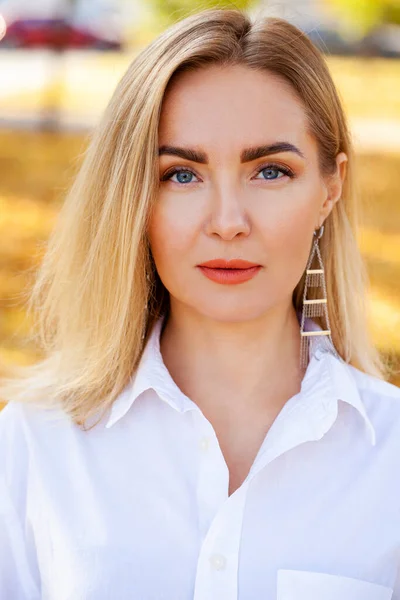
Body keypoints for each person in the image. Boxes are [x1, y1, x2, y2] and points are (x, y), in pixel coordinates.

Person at [0, 7, 399, 599]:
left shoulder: (390, 456)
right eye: (182, 175)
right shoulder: (36, 444)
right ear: (135, 197)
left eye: (270, 171)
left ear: (329, 189)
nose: (228, 223)